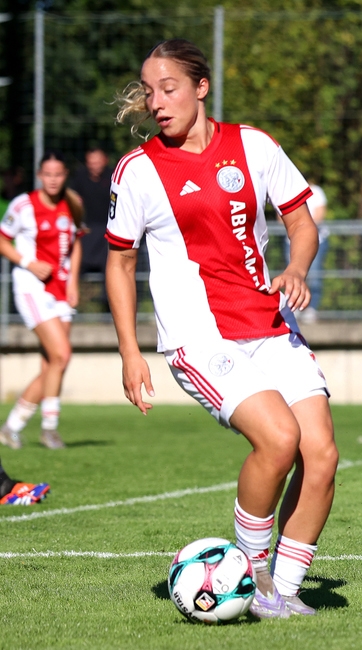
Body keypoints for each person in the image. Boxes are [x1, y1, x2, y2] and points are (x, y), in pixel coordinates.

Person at [105, 39, 338, 619]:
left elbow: (301, 222)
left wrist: (296, 268)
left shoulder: (254, 146)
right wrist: (130, 353)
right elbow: (120, 263)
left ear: (200, 87)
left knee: (323, 455)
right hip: (199, 338)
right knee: (279, 439)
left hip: (269, 324)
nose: (157, 102)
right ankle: (252, 578)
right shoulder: (138, 170)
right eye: (149, 90)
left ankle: (282, 592)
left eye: (170, 88)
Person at [0, 151, 83, 451]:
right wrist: (28, 262)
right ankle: (49, 429)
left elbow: (75, 245)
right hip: (32, 288)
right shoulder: (23, 205)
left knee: (53, 363)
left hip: (62, 290)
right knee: (61, 354)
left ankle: (12, 427)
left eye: (58, 174)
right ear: (39, 175)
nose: (53, 179)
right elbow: (2, 238)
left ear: (64, 176)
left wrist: (73, 281)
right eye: (47, 174)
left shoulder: (73, 204)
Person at [71, 145, 112, 312]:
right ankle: (71, 298)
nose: (94, 165)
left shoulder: (113, 176)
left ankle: (108, 302)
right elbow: (72, 198)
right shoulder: (79, 178)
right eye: (91, 162)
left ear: (105, 161)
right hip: (87, 231)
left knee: (109, 261)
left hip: (108, 230)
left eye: (97, 161)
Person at [297, 183, 328, 324]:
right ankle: (296, 306)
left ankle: (311, 309)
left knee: (314, 275)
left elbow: (320, 215)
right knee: (294, 276)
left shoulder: (315, 191)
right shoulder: (286, 188)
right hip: (292, 242)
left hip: (315, 241)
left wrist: (300, 227)